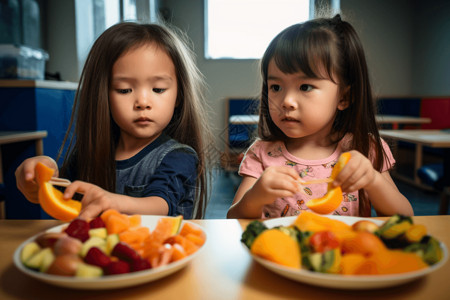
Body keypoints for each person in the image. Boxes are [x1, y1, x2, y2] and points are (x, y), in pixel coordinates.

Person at [15, 22, 213, 220]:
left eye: (158, 89)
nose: (143, 102)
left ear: (179, 96)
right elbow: (63, 196)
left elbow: (162, 204)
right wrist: (40, 179)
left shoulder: (179, 156)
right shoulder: (88, 153)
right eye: (125, 90)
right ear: (103, 96)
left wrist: (112, 202)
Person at [227, 14, 413, 219]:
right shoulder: (262, 153)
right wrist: (255, 196)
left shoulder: (364, 148)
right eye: (276, 87)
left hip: (345, 250)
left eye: (305, 87)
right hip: (281, 250)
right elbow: (233, 219)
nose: (286, 101)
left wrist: (372, 180)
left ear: (344, 97)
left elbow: (405, 215)